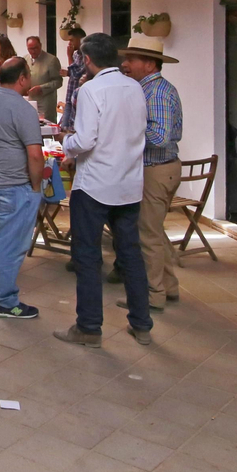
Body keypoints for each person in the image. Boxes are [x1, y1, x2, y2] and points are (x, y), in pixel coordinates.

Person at [58, 34, 154, 349]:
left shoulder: (91, 90)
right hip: (128, 184)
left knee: (87, 257)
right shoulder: (135, 87)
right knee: (131, 254)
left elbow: (85, 140)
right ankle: (141, 324)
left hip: (96, 184)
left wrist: (66, 144)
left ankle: (89, 327)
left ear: (87, 59)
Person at [0, 57, 44, 319]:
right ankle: (5, 300)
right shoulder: (23, 108)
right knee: (11, 245)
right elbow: (35, 154)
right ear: (23, 78)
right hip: (13, 184)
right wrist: (35, 187)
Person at [117, 35, 183, 309]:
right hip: (160, 169)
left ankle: (152, 295)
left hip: (156, 170)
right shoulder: (148, 89)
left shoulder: (155, 92)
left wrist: (124, 134)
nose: (125, 64)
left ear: (149, 64)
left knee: (148, 235)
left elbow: (159, 136)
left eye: (131, 60)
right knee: (155, 231)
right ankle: (168, 286)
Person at [26, 35, 65, 122]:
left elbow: (58, 81)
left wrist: (41, 88)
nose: (33, 51)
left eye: (35, 48)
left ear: (40, 45)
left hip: (45, 103)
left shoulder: (51, 60)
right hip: (30, 101)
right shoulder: (25, 59)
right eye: (30, 49)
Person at [59, 26, 88, 132]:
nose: (69, 43)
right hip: (69, 97)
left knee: (71, 130)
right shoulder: (76, 55)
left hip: (78, 100)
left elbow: (76, 75)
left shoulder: (86, 57)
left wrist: (69, 56)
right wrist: (67, 73)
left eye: (71, 40)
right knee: (63, 128)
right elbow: (74, 71)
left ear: (80, 39)